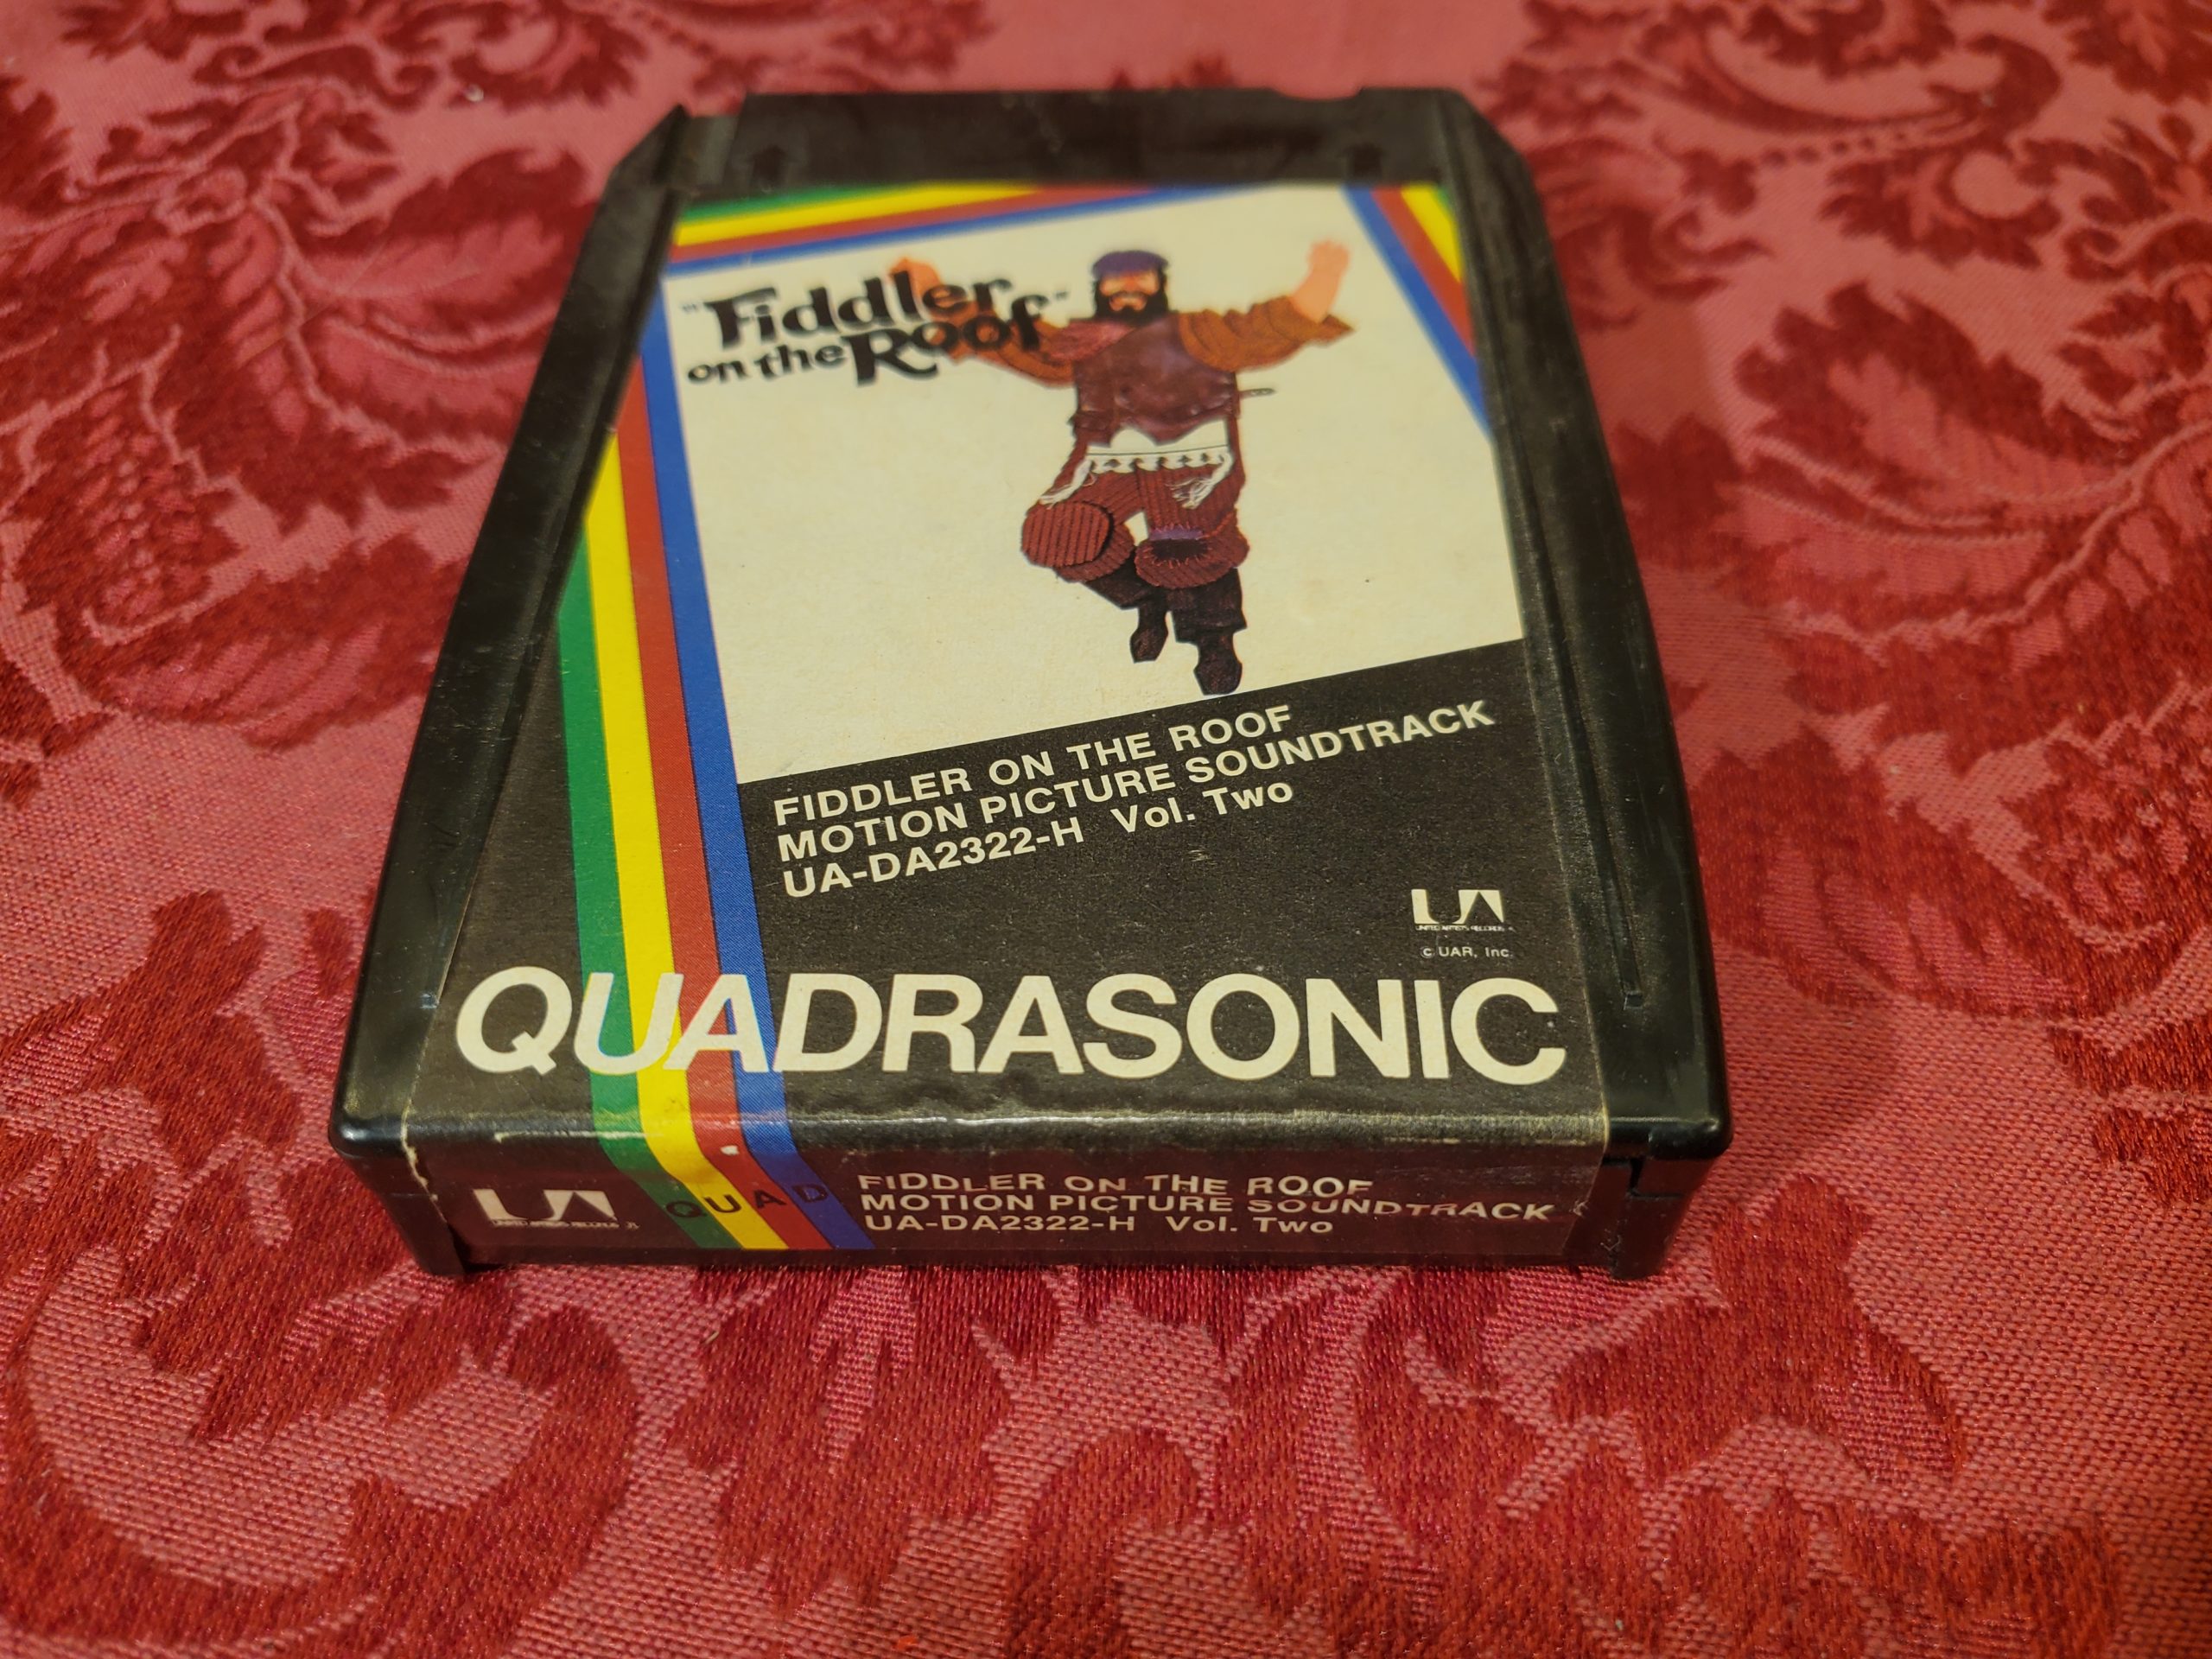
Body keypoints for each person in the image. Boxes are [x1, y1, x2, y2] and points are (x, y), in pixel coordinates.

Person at [893, 241, 1351, 695]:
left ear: (1159, 284)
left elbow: (1273, 324)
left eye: (1140, 278)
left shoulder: (1200, 332)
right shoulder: (1081, 340)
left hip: (1193, 454)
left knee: (1184, 544)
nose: (1129, 287)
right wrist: (931, 288)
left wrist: (1325, 273)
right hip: (1107, 457)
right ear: (1101, 287)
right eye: (1117, 280)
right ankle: (1147, 600)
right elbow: (1006, 338)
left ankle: (1214, 640)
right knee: (1057, 531)